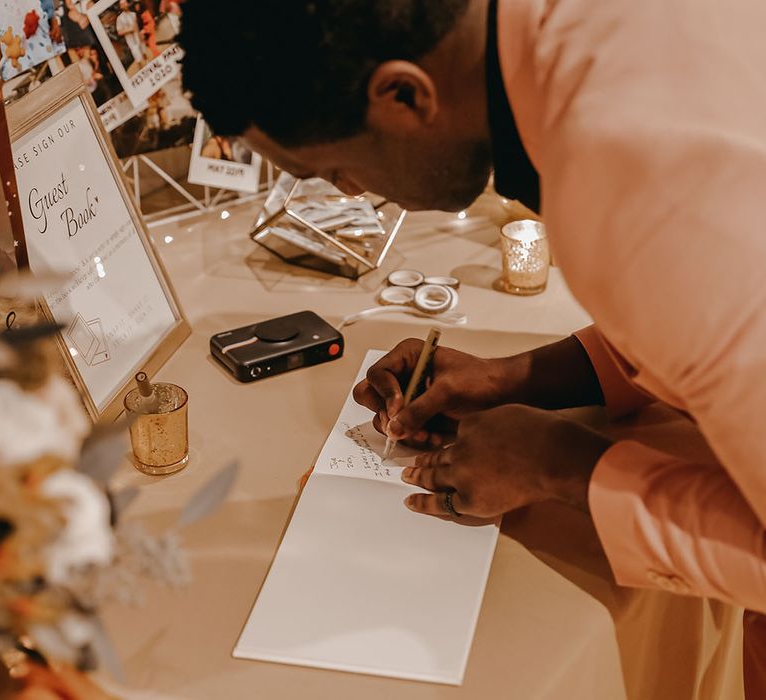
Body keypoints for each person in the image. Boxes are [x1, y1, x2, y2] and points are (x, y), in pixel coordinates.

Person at [177, 0, 766, 694]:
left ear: (404, 94)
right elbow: (711, 307)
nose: (349, 193)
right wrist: (521, 376)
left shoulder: (629, 183)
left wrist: (564, 466)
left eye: (330, 169)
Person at [115, 0, 144, 66]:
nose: (124, 5)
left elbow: (137, 27)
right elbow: (119, 32)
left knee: (144, 54)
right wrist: (129, 30)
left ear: (127, 3)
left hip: (138, 38)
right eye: (122, 4)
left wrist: (140, 35)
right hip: (131, 42)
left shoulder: (133, 14)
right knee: (138, 58)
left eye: (125, 3)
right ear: (120, 6)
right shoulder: (119, 18)